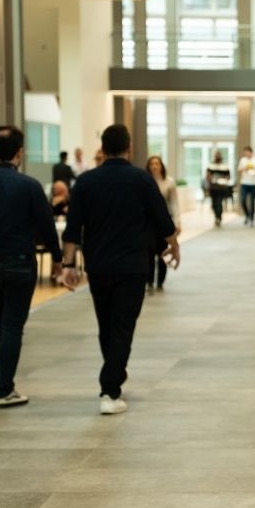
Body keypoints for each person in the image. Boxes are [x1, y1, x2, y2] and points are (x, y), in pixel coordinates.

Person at [61, 124, 180, 415]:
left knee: (107, 324)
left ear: (103, 147)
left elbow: (73, 228)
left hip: (99, 266)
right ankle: (109, 389)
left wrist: (67, 265)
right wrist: (173, 246)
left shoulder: (86, 182)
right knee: (123, 326)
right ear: (129, 147)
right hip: (132, 266)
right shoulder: (141, 180)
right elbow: (163, 220)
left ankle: (114, 375)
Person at [0, 125, 63, 408]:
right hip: (20, 264)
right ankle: (4, 389)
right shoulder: (30, 187)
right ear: (20, 152)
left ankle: (1, 380)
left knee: (2, 319)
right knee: (12, 325)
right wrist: (59, 260)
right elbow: (47, 227)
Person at [145, 156, 181, 293]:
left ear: (161, 166)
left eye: (157, 163)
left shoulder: (168, 182)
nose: (154, 166)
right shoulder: (145, 181)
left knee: (162, 251)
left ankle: (160, 280)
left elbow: (174, 203)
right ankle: (148, 280)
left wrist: (177, 222)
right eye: (152, 164)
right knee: (148, 250)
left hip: (164, 222)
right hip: (148, 223)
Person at [205, 150, 232, 227]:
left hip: (221, 187)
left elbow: (228, 177)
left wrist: (222, 179)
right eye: (216, 156)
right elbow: (207, 176)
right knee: (214, 204)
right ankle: (216, 216)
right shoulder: (211, 165)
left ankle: (219, 218)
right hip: (213, 187)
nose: (217, 157)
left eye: (218, 156)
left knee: (219, 203)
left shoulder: (225, 166)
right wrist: (211, 178)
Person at [237, 146, 255, 226]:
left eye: (247, 153)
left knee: (252, 202)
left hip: (253, 183)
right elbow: (239, 170)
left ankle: (252, 218)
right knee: (243, 200)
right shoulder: (243, 160)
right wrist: (245, 168)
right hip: (244, 183)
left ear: (251, 152)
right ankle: (247, 215)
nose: (246, 155)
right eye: (245, 153)